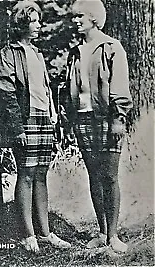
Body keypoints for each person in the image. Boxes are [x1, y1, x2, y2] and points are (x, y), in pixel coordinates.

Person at [0, 1, 71, 253]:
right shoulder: (9, 54)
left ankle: (46, 233)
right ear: (21, 24)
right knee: (26, 175)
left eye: (39, 21)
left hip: (43, 119)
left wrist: (52, 116)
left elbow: (46, 91)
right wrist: (17, 128)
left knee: (41, 174)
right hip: (25, 121)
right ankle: (28, 235)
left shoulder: (38, 53)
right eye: (34, 21)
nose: (39, 25)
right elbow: (6, 94)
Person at [60, 0, 133, 253]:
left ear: (93, 17)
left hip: (107, 119)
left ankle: (114, 235)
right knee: (94, 176)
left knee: (109, 176)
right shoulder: (75, 52)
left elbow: (120, 87)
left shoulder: (112, 48)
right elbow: (70, 90)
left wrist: (118, 118)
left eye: (79, 16)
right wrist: (69, 118)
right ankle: (102, 232)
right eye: (73, 17)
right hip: (82, 120)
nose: (75, 21)